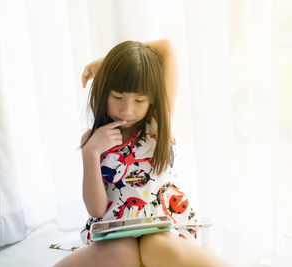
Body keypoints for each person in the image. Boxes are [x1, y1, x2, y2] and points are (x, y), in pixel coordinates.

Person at [54, 39, 231, 267]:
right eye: (117, 97)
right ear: (103, 91)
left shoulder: (159, 123)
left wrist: (108, 63)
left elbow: (166, 47)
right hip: (116, 232)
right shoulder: (93, 140)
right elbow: (97, 209)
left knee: (156, 246)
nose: (127, 110)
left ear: (152, 100)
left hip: (163, 227)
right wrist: (91, 153)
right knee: (123, 251)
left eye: (139, 100)